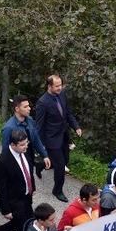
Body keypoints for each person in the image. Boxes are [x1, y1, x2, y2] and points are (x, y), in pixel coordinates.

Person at [35, 74, 83, 203]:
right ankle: (57, 191)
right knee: (60, 166)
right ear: (49, 86)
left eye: (60, 85)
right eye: (57, 86)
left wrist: (76, 126)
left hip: (63, 135)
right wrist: (40, 146)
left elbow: (67, 113)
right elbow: (38, 126)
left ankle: (40, 164)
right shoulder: (42, 103)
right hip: (51, 139)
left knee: (65, 160)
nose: (60, 88)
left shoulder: (62, 95)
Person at [0, 129, 35, 231]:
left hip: (26, 197)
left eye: (26, 143)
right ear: (12, 144)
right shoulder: (2, 161)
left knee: (24, 222)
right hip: (14, 200)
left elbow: (28, 170)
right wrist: (5, 209)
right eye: (22, 145)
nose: (25, 146)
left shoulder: (25, 152)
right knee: (24, 228)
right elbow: (1, 187)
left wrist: (32, 187)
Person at [2, 95, 53, 180]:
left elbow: (36, 139)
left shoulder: (30, 121)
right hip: (17, 162)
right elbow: (5, 151)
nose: (29, 108)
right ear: (17, 109)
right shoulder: (9, 128)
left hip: (29, 158)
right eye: (25, 107)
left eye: (28, 106)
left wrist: (45, 155)